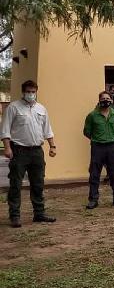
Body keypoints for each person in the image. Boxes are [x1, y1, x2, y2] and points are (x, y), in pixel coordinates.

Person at [1, 80, 57, 227]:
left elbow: (47, 129)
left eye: (33, 92)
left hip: (37, 151)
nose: (31, 94)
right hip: (19, 151)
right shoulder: (13, 107)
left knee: (38, 183)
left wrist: (52, 146)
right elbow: (5, 130)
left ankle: (39, 214)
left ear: (36, 92)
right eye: (28, 92)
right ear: (23, 92)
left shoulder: (41, 109)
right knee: (16, 184)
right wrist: (7, 148)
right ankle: (14, 216)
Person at [83, 91, 114, 209]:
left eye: (108, 98)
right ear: (99, 100)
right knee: (94, 174)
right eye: (103, 98)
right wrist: (98, 138)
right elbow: (87, 132)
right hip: (98, 147)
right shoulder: (92, 115)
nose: (106, 100)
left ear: (111, 100)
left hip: (113, 147)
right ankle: (93, 200)